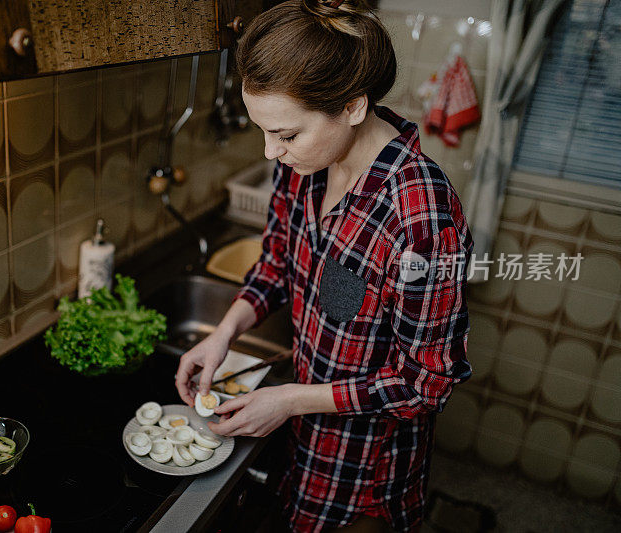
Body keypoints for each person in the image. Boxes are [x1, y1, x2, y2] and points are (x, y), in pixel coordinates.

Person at [175, 1, 474, 531]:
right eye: (264, 131)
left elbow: (428, 382)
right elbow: (275, 266)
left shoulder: (420, 218)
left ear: (354, 107)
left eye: (286, 135)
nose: (270, 153)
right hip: (303, 440)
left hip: (367, 472)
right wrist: (223, 333)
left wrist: (292, 399)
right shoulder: (303, 168)